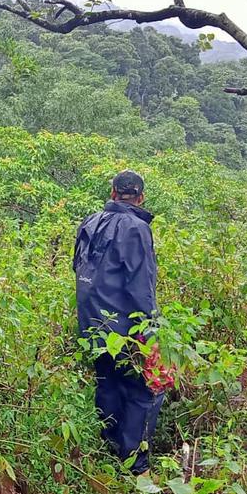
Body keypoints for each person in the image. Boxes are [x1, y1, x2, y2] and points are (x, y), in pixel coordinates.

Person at [72, 170, 162, 474]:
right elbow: (141, 287)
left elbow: (77, 267)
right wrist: (150, 335)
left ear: (112, 193)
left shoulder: (90, 222)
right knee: (146, 389)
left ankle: (108, 447)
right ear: (141, 198)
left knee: (108, 382)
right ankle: (135, 463)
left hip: (92, 324)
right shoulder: (137, 229)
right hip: (124, 329)